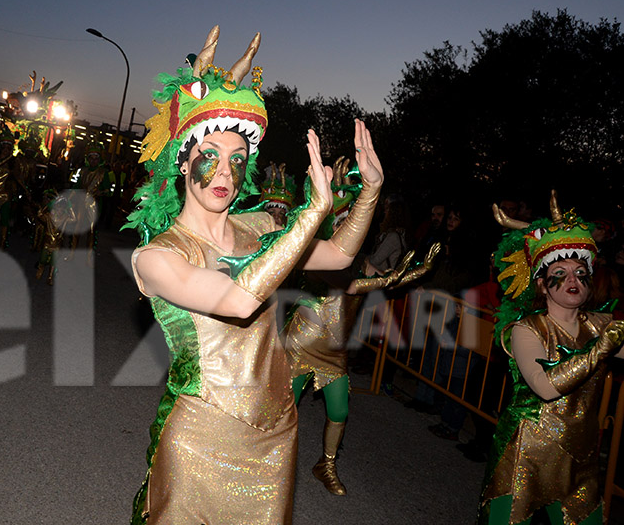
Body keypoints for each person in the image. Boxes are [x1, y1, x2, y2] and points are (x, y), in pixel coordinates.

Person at [126, 26, 383, 524]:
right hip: (200, 438)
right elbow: (239, 299)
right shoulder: (156, 257)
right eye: (211, 157)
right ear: (183, 161)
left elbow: (336, 256)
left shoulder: (260, 227)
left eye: (237, 160)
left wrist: (369, 193)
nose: (225, 172)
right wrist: (311, 213)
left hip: (275, 434)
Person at [283, 165, 440, 495]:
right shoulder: (315, 257)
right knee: (285, 413)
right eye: (340, 224)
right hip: (300, 346)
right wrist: (397, 276)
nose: (346, 230)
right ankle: (270, 461)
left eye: (350, 224)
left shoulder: (362, 262)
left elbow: (375, 279)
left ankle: (325, 464)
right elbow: (353, 286)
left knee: (339, 412)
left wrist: (413, 273)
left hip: (334, 354)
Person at [478, 192, 624, 524]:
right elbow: (545, 387)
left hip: (580, 463)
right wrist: (600, 349)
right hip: (525, 458)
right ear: (542, 285)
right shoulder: (524, 330)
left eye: (580, 271)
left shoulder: (602, 324)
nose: (573, 279)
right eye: (561, 271)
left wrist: (606, 338)